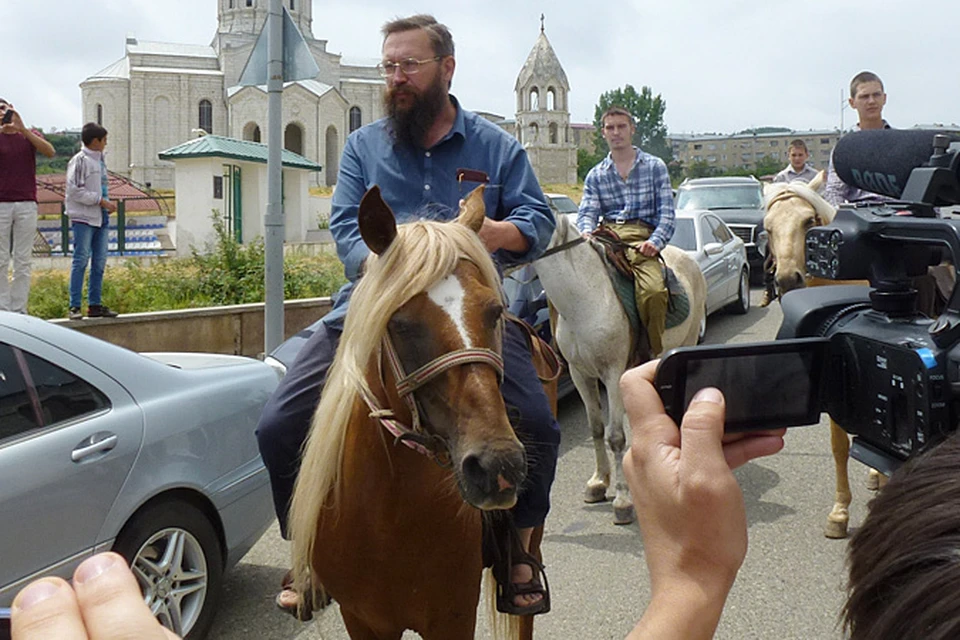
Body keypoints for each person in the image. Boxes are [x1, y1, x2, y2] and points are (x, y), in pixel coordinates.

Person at [255, 14, 559, 618]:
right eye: (389, 65)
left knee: (541, 429)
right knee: (279, 425)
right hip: (374, 310)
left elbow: (538, 220)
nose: (396, 77)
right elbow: (347, 226)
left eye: (409, 65)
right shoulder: (365, 146)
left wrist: (500, 231)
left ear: (446, 68)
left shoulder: (495, 146)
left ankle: (518, 550)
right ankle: (309, 550)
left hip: (469, 315)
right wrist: (382, 266)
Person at [577, 106, 675, 357]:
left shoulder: (655, 167)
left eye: (621, 126)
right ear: (603, 133)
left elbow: (667, 213)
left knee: (653, 292)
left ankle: (651, 351)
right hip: (608, 237)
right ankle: (566, 353)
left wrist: (656, 241)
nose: (616, 132)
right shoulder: (595, 175)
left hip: (642, 238)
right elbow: (587, 212)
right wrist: (586, 233)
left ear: (632, 129)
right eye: (610, 128)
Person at [0, 99, 56, 314]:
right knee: (1, 259)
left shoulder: (28, 135)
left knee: (23, 259)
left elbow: (49, 151)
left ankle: (19, 309)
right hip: (1, 204)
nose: (2, 114)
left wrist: (21, 128)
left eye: (4, 109)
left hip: (26, 202)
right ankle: (3, 308)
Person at [64, 122, 119, 320]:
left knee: (99, 262)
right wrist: (100, 201)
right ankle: (74, 305)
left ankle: (95, 304)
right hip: (84, 217)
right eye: (104, 140)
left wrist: (104, 205)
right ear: (95, 141)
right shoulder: (80, 161)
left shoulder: (100, 161)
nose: (106, 144)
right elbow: (75, 190)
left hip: (100, 216)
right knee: (80, 260)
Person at [823, 71, 892, 207]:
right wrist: (842, 220)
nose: (871, 101)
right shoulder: (845, 149)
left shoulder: (902, 143)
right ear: (852, 102)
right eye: (864, 97)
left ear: (884, 98)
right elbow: (834, 192)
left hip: (902, 217)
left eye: (876, 95)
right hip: (860, 217)